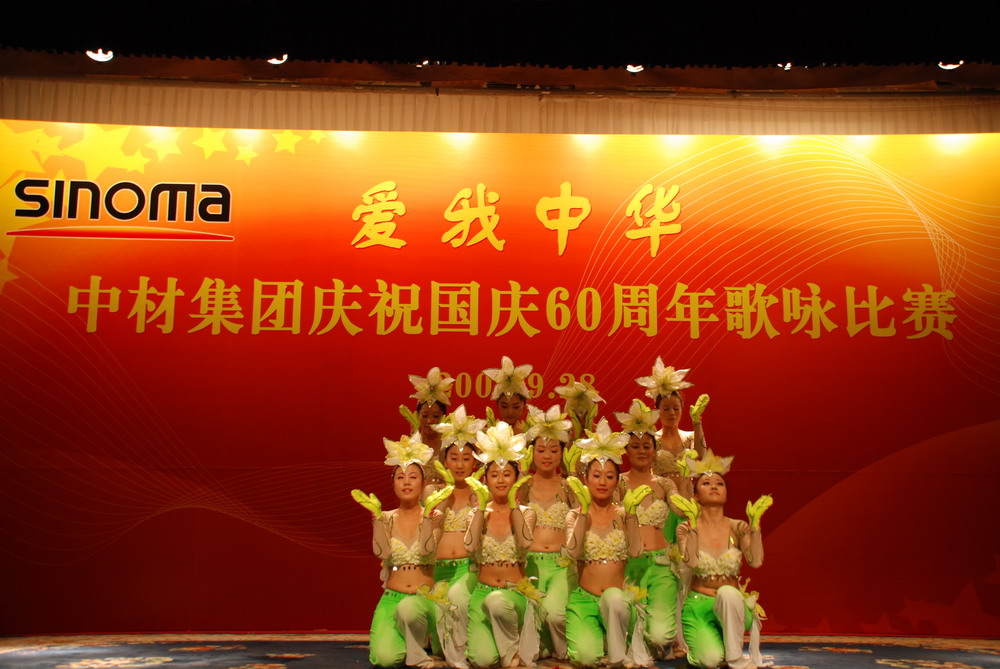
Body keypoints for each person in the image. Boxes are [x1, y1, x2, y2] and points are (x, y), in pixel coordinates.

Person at [352, 434, 453, 668]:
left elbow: (427, 550)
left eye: (413, 477)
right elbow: (383, 554)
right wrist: (376, 519)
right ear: (393, 484)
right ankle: (409, 647)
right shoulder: (386, 517)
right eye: (400, 477)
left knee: (409, 609)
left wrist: (427, 517)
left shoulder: (435, 516)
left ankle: (418, 652)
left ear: (423, 483)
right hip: (392, 598)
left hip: (423, 599)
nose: (406, 482)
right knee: (384, 659)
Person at [562, 419, 652, 668]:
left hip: (617, 600)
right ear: (586, 478)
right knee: (585, 659)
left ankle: (617, 656)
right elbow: (572, 552)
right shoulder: (573, 515)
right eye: (596, 475)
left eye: (609, 476)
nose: (602, 482)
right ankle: (600, 637)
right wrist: (583, 513)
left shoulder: (623, 514)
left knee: (613, 599)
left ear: (617, 481)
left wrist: (632, 516)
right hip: (584, 599)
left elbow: (636, 551)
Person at [673, 469, 773, 669]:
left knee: (727, 593)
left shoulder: (738, 526)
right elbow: (691, 562)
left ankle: (735, 659)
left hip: (733, 604)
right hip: (699, 605)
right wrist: (693, 526)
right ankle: (720, 647)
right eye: (706, 483)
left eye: (719, 483)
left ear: (726, 493)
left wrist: (755, 527)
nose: (714, 487)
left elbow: (755, 562)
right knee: (709, 661)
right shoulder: (684, 528)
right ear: (695, 495)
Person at [615, 399, 691, 660]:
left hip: (660, 566)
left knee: (659, 638)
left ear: (655, 450)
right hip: (627, 566)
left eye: (646, 446)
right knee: (624, 631)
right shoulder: (617, 483)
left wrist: (685, 480)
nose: (641, 451)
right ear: (626, 450)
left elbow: (681, 509)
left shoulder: (664, 485)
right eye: (635, 446)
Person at [464, 422, 538, 668]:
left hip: (513, 594)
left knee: (498, 603)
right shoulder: (476, 513)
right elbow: (470, 547)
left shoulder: (526, 512)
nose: (500, 480)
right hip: (482, 593)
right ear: (485, 479)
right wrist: (479, 509)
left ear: (516, 478)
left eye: (507, 474)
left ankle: (512, 650)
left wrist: (514, 506)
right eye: (494, 475)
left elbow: (525, 543)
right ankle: (504, 647)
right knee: (482, 660)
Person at [515, 404, 578, 662]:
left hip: (561, 565)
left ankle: (564, 648)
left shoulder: (568, 485)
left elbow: (582, 518)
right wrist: (520, 475)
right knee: (531, 615)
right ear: (532, 453)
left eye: (554, 450)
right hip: (529, 564)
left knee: (553, 614)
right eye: (540, 450)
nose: (547, 456)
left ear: (563, 452)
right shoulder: (523, 485)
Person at [426, 404, 486, 669]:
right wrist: (443, 496)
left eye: (466, 458)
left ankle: (465, 656)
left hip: (467, 569)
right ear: (444, 460)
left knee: (457, 599)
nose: (460, 465)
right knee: (438, 644)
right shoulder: (432, 491)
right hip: (436, 571)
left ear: (475, 462)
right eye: (454, 458)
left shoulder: (481, 492)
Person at [401, 367, 455, 478]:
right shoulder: (411, 443)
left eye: (435, 416)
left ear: (443, 417)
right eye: (425, 416)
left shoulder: (449, 444)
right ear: (418, 416)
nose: (429, 421)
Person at [483, 356, 531, 433]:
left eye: (516, 407)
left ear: (524, 405)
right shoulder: (488, 434)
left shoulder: (531, 436)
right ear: (498, 404)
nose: (510, 412)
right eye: (504, 406)